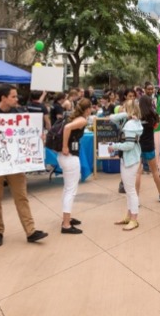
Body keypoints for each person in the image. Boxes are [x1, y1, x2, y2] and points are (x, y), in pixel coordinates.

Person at [0, 84, 48, 246]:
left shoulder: (19, 114)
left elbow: (27, 135)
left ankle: (30, 231)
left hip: (16, 165)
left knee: (21, 197)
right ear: (3, 98)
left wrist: (38, 139)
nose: (17, 99)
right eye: (13, 96)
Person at [109, 99, 144, 231]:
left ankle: (134, 219)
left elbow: (129, 145)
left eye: (124, 108)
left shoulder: (130, 125)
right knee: (129, 191)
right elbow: (112, 118)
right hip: (130, 159)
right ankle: (129, 216)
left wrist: (114, 146)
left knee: (130, 191)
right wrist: (126, 115)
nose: (122, 109)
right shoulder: (133, 122)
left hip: (130, 160)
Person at [59, 98, 92, 234]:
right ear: (88, 109)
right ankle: (66, 224)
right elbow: (67, 128)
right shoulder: (82, 120)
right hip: (70, 156)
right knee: (71, 190)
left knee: (67, 189)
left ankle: (67, 218)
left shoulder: (73, 117)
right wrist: (65, 146)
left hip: (65, 157)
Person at [136, 95, 160, 202]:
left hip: (138, 147)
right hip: (149, 147)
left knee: (138, 172)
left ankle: (136, 198)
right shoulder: (153, 116)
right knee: (155, 171)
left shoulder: (137, 116)